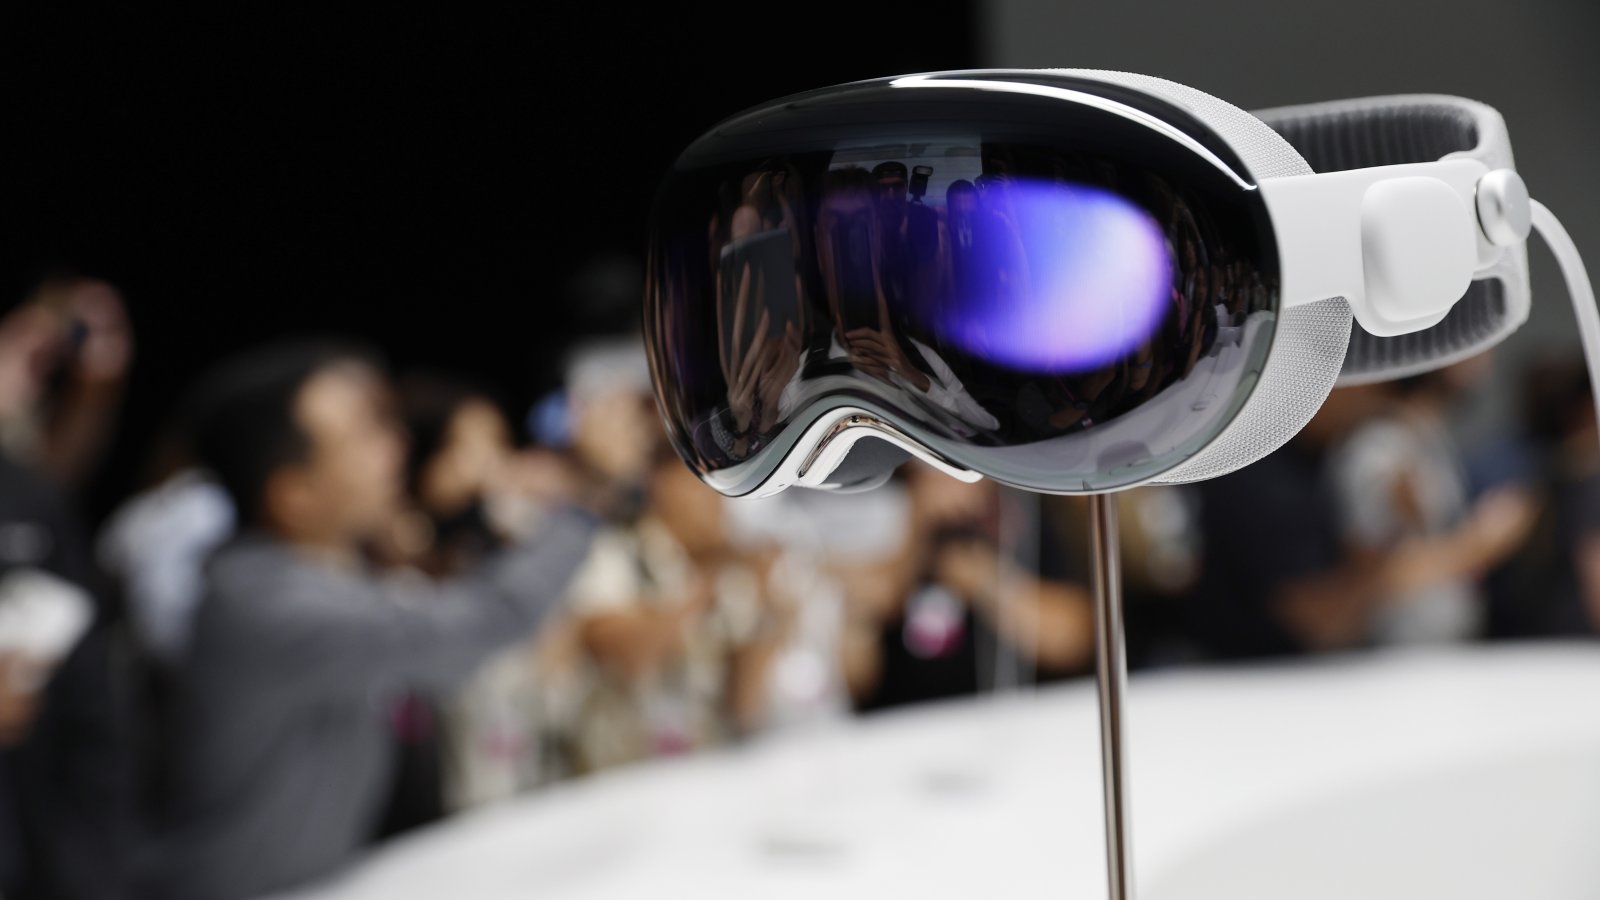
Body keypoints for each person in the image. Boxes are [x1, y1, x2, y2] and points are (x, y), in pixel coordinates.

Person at [139, 340, 595, 900]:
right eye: (363, 433)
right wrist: (584, 503)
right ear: (293, 494)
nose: (395, 446)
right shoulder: (267, 606)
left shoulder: (327, 574)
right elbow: (480, 623)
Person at [1189, 383, 1537, 658]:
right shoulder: (1262, 476)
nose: (1379, 396)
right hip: (1245, 688)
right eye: (1369, 381)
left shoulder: (1321, 457)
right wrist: (1469, 548)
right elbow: (1323, 623)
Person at [0, 293, 134, 900]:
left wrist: (92, 391)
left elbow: (44, 482)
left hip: (46, 828)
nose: (40, 364)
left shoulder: (29, 493)